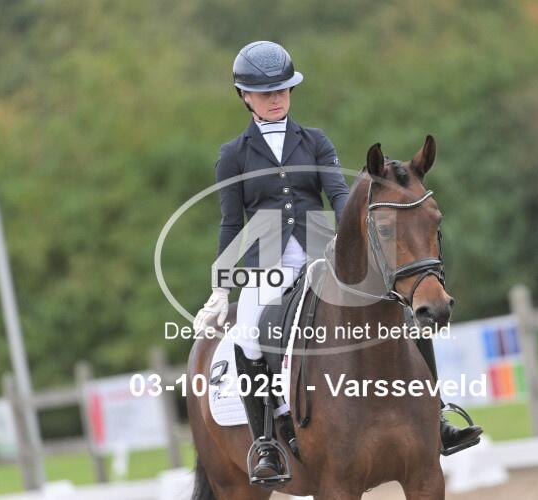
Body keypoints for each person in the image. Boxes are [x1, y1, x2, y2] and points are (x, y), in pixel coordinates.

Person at [193, 41, 480, 487]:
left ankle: (435, 416)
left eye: (282, 90)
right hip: (266, 265)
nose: (276, 99)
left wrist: (355, 242)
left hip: (320, 252)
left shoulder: (315, 141)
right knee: (247, 335)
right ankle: (266, 442)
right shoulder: (233, 155)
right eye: (265, 93)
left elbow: (340, 196)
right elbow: (231, 222)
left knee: (405, 313)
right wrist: (220, 287)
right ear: (245, 96)